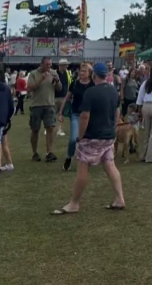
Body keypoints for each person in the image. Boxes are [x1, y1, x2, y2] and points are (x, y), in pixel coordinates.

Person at [52, 63, 125, 215]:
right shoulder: (113, 90)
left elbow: (85, 116)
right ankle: (119, 198)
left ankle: (74, 203)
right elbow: (117, 112)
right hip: (108, 136)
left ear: (94, 75)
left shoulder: (91, 92)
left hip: (92, 136)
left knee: (83, 168)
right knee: (110, 165)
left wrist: (80, 137)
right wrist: (113, 128)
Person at [60, 63, 95, 172]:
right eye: (81, 71)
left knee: (88, 138)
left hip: (90, 115)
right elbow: (66, 98)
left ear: (90, 74)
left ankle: (85, 160)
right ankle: (69, 157)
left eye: (84, 71)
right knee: (73, 139)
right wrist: (60, 112)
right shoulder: (75, 83)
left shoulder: (93, 85)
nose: (81, 73)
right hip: (75, 114)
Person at [27, 57, 62, 163]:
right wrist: (40, 79)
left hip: (49, 104)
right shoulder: (33, 74)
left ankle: (49, 152)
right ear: (41, 64)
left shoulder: (53, 73)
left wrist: (57, 81)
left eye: (50, 64)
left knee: (50, 128)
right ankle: (34, 153)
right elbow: (29, 88)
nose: (49, 66)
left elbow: (59, 88)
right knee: (35, 129)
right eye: (47, 64)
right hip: (36, 105)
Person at [55, 59, 72, 137]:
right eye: (65, 64)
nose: (67, 66)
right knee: (51, 113)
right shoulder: (55, 73)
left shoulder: (68, 73)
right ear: (61, 65)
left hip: (63, 96)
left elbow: (70, 83)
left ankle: (59, 129)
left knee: (61, 113)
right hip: (54, 96)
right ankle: (48, 128)